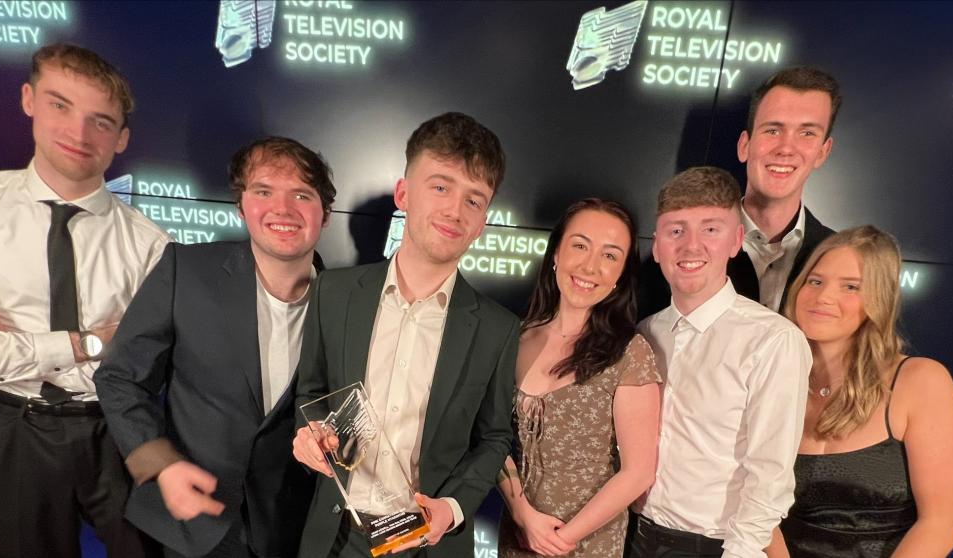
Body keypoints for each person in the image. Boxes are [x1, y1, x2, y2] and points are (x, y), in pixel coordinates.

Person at [291, 112, 519, 558]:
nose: (455, 209)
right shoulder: (334, 293)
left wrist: (452, 509)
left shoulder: (497, 327)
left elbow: (494, 437)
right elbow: (310, 392)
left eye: (474, 200)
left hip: (426, 543)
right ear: (403, 193)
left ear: (483, 221)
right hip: (336, 535)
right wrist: (308, 433)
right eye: (440, 186)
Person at [94, 137, 335, 558]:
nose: (282, 208)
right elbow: (120, 378)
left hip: (299, 531)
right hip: (197, 525)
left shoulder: (348, 302)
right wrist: (161, 465)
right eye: (263, 191)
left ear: (325, 214)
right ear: (242, 206)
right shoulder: (183, 270)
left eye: (301, 194)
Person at [0, 43, 169, 557]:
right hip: (11, 427)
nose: (78, 134)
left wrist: (15, 343)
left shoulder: (152, 245)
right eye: (60, 105)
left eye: (101, 121)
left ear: (121, 138)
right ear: (28, 100)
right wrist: (86, 342)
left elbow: (143, 362)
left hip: (118, 428)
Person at [627, 167, 812, 558]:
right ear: (656, 245)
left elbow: (770, 475)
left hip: (716, 546)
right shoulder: (644, 333)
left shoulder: (773, 341)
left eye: (710, 229)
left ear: (736, 241)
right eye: (676, 230)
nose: (691, 246)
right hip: (631, 536)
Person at [767, 225, 953, 557]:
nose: (824, 297)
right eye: (815, 281)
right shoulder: (770, 381)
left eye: (850, 287)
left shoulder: (920, 381)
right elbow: (756, 513)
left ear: (879, 299)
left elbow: (941, 523)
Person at [498, 199, 662, 557]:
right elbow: (491, 440)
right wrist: (522, 514)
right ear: (556, 253)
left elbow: (638, 472)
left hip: (588, 543)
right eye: (580, 245)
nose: (590, 266)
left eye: (609, 255)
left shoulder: (629, 353)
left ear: (621, 275)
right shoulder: (515, 337)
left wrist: (563, 538)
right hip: (519, 536)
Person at [639, 66, 840, 317]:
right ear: (745, 145)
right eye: (773, 130)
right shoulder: (672, 261)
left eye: (807, 133)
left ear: (823, 151)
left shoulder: (840, 256)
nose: (786, 148)